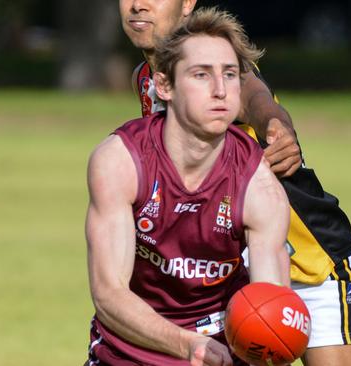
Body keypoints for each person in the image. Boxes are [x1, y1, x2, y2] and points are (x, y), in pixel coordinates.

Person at [118, 2, 351, 366]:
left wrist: (276, 126)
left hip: (312, 264)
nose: (138, 4)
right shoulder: (146, 79)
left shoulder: (220, 71)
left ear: (187, 3)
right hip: (229, 272)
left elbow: (256, 97)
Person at [85, 9, 290, 366]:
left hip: (221, 353)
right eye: (201, 75)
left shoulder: (260, 188)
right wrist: (187, 345)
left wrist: (270, 342)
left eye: (229, 75)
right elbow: (108, 295)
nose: (220, 90)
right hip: (130, 352)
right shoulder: (119, 162)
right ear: (164, 85)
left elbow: (271, 304)